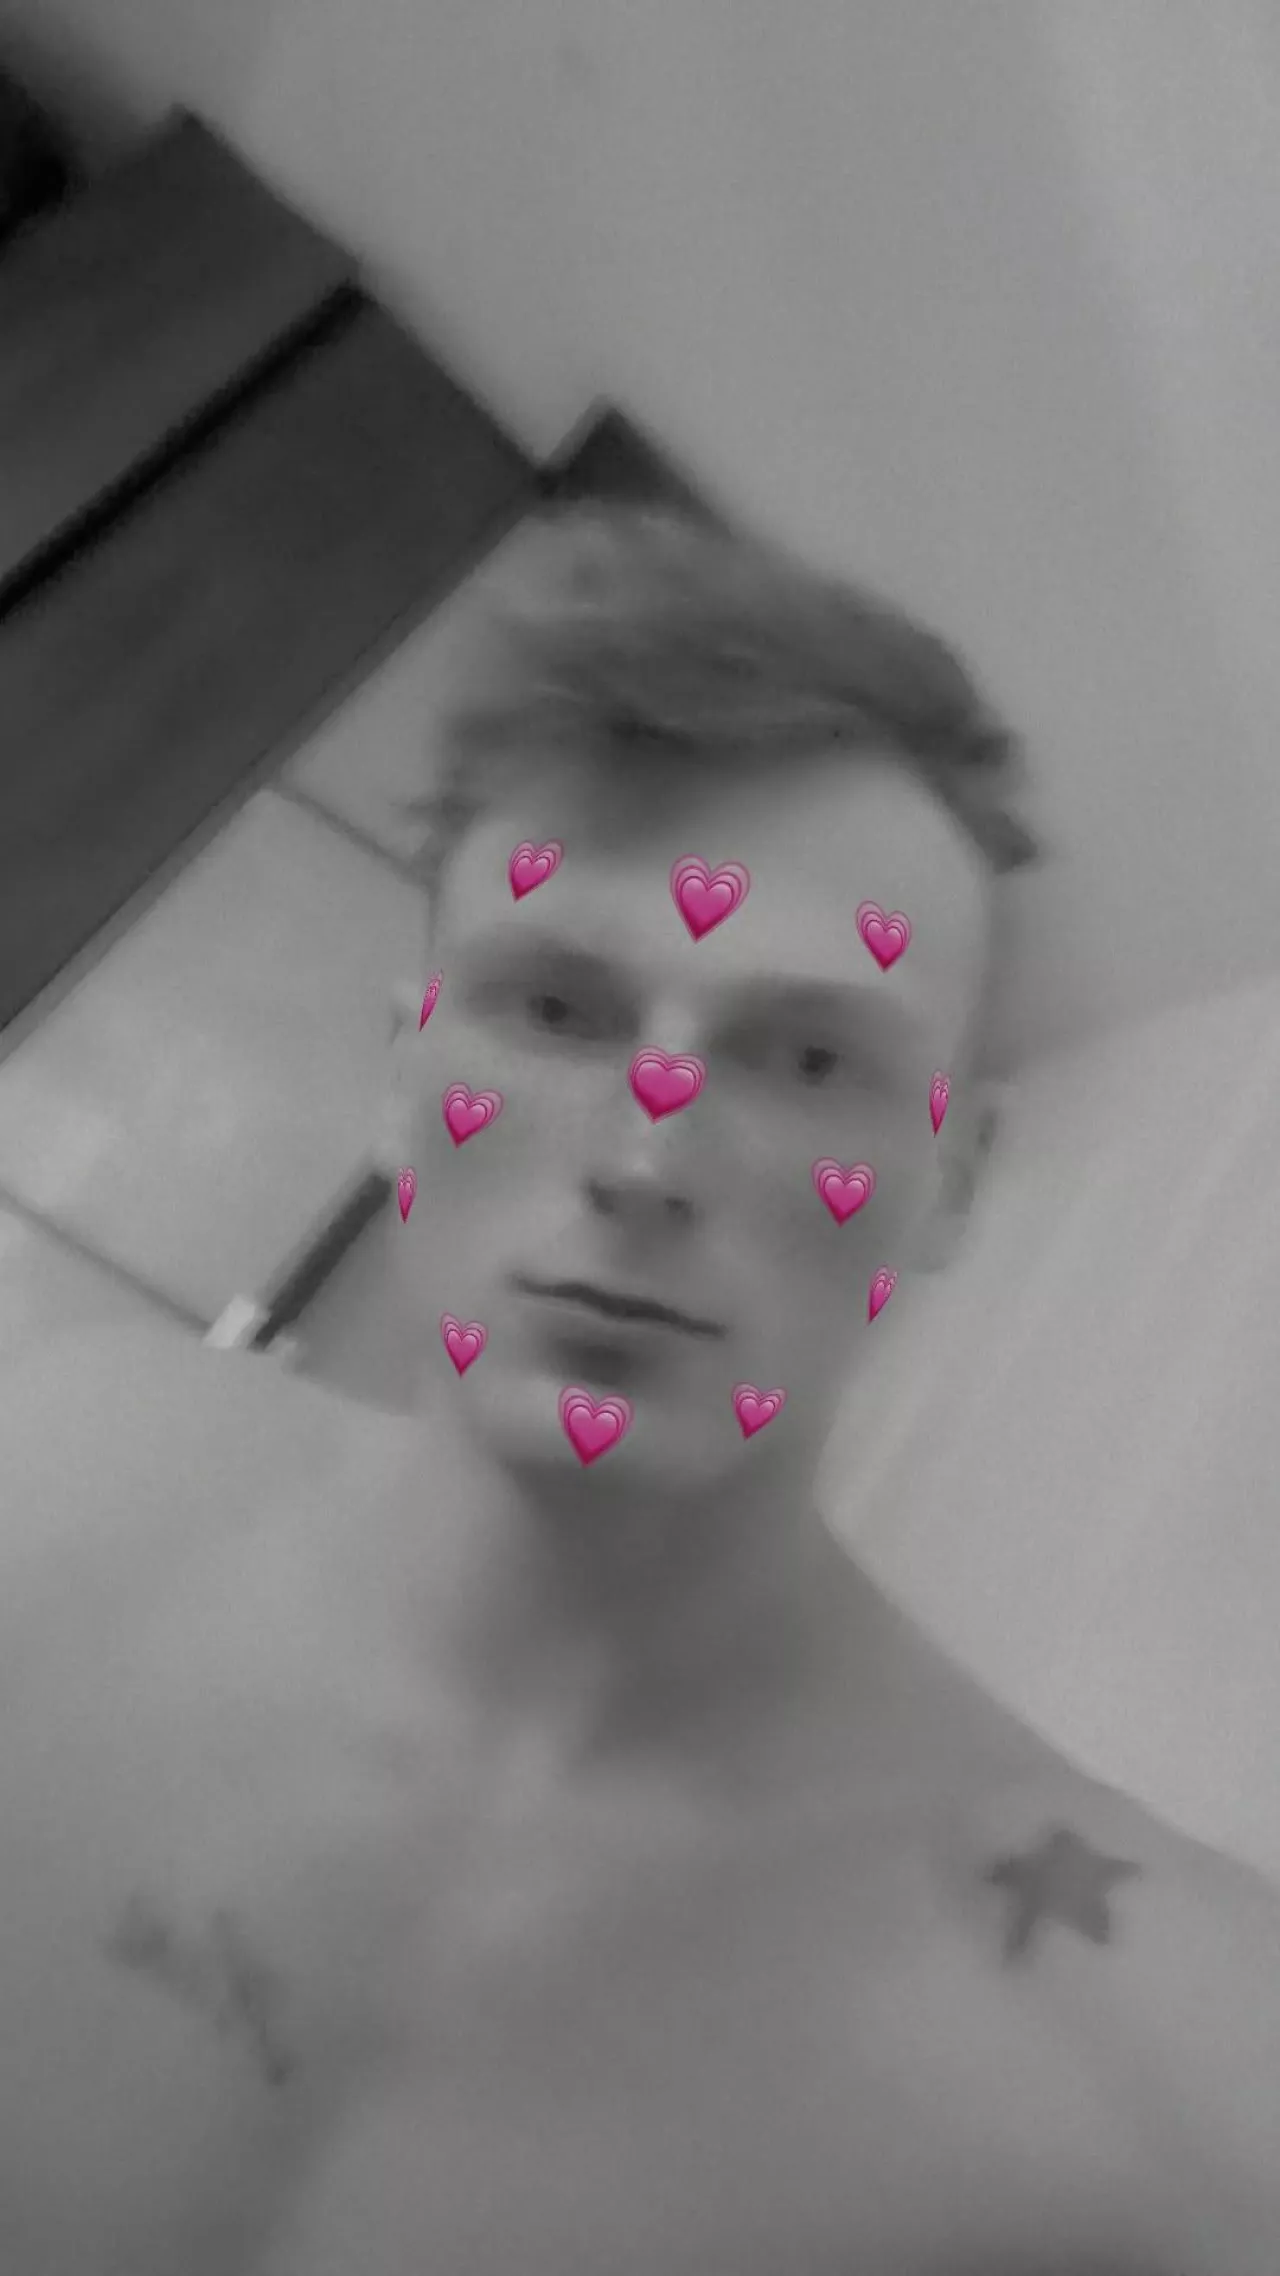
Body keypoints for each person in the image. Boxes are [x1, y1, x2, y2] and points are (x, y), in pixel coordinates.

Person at [1, 501, 1277, 2276]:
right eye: (554, 1010)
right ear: (400, 1085)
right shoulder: (50, 1479)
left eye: (809, 1055)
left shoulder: (1147, 2056)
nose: (643, 1160)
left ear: (950, 1185)